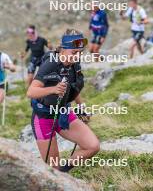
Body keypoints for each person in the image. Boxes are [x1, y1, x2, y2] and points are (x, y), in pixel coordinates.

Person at [27, 29, 100, 172]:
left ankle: (62, 173)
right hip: (43, 119)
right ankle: (56, 174)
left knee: (92, 146)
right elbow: (31, 92)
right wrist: (53, 89)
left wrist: (81, 107)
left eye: (80, 52)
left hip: (64, 113)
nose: (77, 56)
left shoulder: (75, 64)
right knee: (51, 167)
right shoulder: (50, 64)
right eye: (74, 53)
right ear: (63, 49)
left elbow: (74, 88)